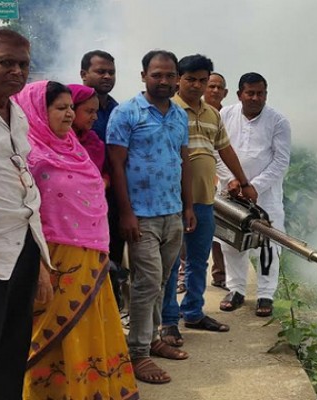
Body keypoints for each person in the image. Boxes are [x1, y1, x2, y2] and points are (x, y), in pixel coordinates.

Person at [14, 80, 139, 399]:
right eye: (60, 108)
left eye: (72, 107)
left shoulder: (75, 147)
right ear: (39, 112)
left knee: (87, 328)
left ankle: (90, 390)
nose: (70, 114)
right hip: (51, 258)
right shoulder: (29, 154)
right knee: (52, 332)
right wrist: (39, 262)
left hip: (91, 255)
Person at [0, 29, 52, 400]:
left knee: (10, 354)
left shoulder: (17, 112)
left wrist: (38, 260)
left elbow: (24, 185)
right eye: (6, 62)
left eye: (23, 64)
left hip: (19, 250)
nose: (17, 71)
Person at [107, 50, 194, 384]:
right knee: (145, 284)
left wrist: (187, 207)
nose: (164, 81)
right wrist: (126, 214)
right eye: (157, 75)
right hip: (141, 215)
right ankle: (138, 354)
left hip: (172, 212)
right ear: (143, 75)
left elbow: (182, 161)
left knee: (160, 281)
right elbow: (116, 165)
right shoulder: (126, 113)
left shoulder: (178, 115)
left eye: (170, 75)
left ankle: (152, 338)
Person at [160, 55, 257, 347]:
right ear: (179, 79)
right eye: (191, 79)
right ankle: (167, 320)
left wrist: (244, 181)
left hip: (205, 200)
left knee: (198, 260)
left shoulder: (213, 114)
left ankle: (192, 311)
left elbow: (225, 150)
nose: (198, 85)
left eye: (203, 80)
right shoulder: (168, 110)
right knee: (171, 261)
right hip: (173, 202)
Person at [218, 72, 291, 317]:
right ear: (240, 94)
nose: (255, 98)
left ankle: (265, 295)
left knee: (268, 245)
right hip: (231, 191)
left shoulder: (278, 121)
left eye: (260, 93)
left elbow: (281, 161)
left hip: (265, 196)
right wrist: (232, 180)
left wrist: (255, 186)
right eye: (250, 93)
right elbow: (216, 152)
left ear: (266, 94)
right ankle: (236, 290)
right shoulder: (225, 115)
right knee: (232, 242)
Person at [80, 50, 127, 310]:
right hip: (79, 201)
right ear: (84, 74)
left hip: (113, 196)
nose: (107, 76)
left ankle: (110, 315)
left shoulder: (119, 111)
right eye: (100, 71)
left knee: (113, 257)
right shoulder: (71, 108)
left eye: (111, 71)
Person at [205, 72, 230, 290]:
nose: (214, 91)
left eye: (219, 87)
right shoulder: (194, 113)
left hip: (225, 178)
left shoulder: (230, 116)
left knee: (222, 227)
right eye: (210, 86)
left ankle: (222, 275)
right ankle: (185, 274)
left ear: (226, 93)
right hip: (200, 177)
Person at [67, 84, 107, 178]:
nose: (95, 117)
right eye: (89, 111)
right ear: (71, 109)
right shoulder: (53, 141)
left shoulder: (93, 141)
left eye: (96, 112)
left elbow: (105, 173)